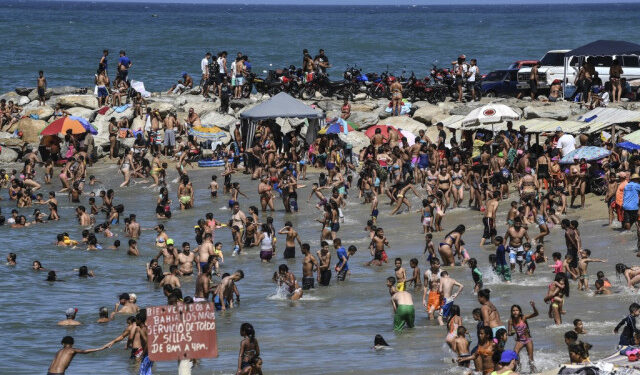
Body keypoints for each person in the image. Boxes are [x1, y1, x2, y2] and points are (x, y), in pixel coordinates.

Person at [507, 302, 538, 371]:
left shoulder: (523, 318)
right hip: (519, 340)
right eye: (513, 310)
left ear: (520, 312)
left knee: (530, 358)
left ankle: (533, 371)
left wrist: (533, 306)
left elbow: (536, 314)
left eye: (517, 310)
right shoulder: (510, 321)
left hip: (528, 340)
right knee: (515, 355)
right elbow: (509, 332)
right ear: (511, 312)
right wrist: (511, 332)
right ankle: (518, 369)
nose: (515, 312)